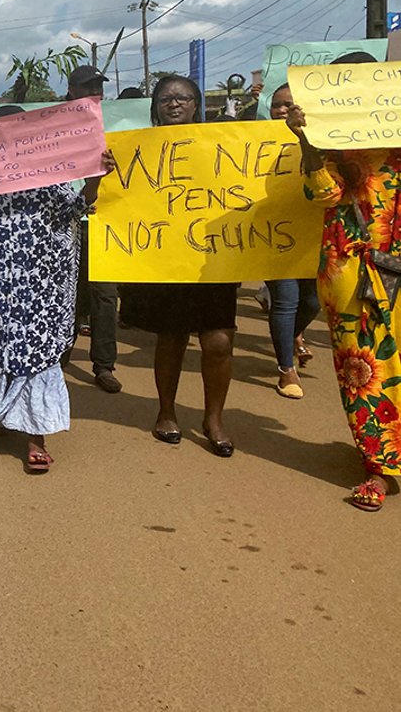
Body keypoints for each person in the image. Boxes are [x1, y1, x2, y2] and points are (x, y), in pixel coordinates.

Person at [0, 102, 114, 472]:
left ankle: (37, 437)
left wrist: (96, 176)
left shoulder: (50, 171)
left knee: (37, 353)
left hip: (40, 282)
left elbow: (76, 208)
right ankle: (0, 413)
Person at [286, 51, 401, 510]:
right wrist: (306, 139)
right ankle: (380, 467)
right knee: (363, 370)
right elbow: (324, 194)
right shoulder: (327, 146)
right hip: (349, 273)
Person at [116, 75, 237, 457]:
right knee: (171, 336)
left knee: (218, 340)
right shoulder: (135, 146)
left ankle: (213, 419)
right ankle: (166, 412)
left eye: (183, 97)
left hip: (211, 257)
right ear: (155, 106)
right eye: (166, 98)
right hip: (164, 256)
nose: (174, 104)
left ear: (196, 104)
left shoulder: (220, 143)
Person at [66, 65, 123, 394]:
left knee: (105, 296)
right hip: (67, 222)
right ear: (71, 90)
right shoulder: (53, 128)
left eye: (98, 88)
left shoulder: (115, 126)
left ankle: (104, 365)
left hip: (104, 222)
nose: (94, 94)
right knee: (67, 295)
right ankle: (59, 357)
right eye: (88, 87)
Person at [265, 83, 319, 399]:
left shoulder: (320, 139)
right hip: (271, 233)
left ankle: (294, 334)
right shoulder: (252, 138)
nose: (283, 110)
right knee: (286, 298)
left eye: (289, 104)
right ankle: (287, 368)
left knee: (311, 300)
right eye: (277, 104)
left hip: (310, 232)